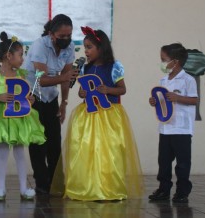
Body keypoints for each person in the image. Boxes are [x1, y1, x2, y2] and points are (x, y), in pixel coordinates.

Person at [62, 26, 144, 201]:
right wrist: (81, 93)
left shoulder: (114, 67)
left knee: (108, 151)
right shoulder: (85, 68)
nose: (86, 51)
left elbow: (122, 90)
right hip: (89, 115)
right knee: (86, 151)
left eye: (89, 47)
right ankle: (87, 186)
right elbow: (82, 91)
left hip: (109, 115)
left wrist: (108, 89)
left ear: (101, 48)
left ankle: (109, 188)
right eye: (85, 47)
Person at [0, 32, 45, 201]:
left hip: (18, 116)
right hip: (1, 118)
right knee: (3, 152)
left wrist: (29, 100)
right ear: (8, 56)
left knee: (20, 152)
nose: (23, 59)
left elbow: (23, 95)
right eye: (20, 55)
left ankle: (23, 188)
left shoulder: (20, 75)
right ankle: (1, 188)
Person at [23, 14, 77, 195]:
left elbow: (66, 80)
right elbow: (42, 80)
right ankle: (41, 181)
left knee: (54, 140)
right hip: (32, 96)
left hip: (51, 98)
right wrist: (64, 77)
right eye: (62, 36)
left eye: (69, 35)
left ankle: (56, 181)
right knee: (38, 141)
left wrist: (64, 103)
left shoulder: (69, 48)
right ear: (51, 34)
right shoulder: (40, 45)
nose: (66, 39)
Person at [148, 43, 198, 204]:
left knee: (182, 163)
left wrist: (178, 98)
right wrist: (155, 101)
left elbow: (194, 100)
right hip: (165, 128)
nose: (161, 63)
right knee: (163, 161)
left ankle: (182, 191)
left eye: (164, 60)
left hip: (181, 129)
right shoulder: (163, 80)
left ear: (175, 61)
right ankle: (164, 189)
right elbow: (163, 101)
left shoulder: (188, 79)